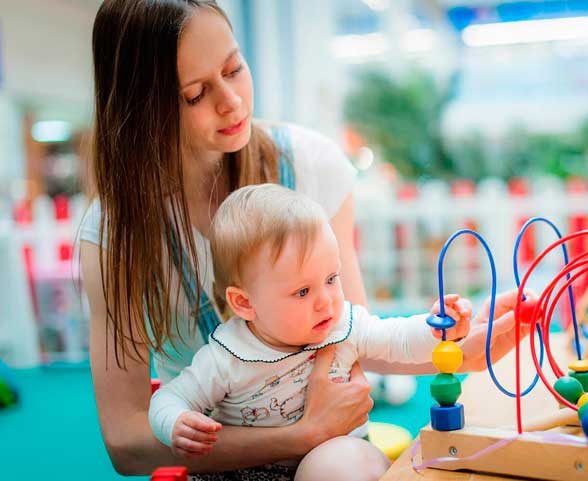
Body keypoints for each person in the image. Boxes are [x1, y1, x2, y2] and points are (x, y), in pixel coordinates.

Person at [80, 0, 527, 477]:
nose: (231, 101)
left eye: (235, 68)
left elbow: (355, 335)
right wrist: (299, 434)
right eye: (195, 94)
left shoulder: (313, 164)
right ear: (142, 107)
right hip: (224, 466)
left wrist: (461, 348)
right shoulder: (113, 233)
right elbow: (125, 441)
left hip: (332, 453)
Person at [149, 184, 475, 480]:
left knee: (347, 463)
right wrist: (175, 422)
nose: (326, 302)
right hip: (247, 473)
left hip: (335, 464)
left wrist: (435, 328)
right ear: (245, 303)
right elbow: (169, 397)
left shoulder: (342, 325)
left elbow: (398, 339)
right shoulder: (227, 356)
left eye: (331, 279)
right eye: (303, 292)